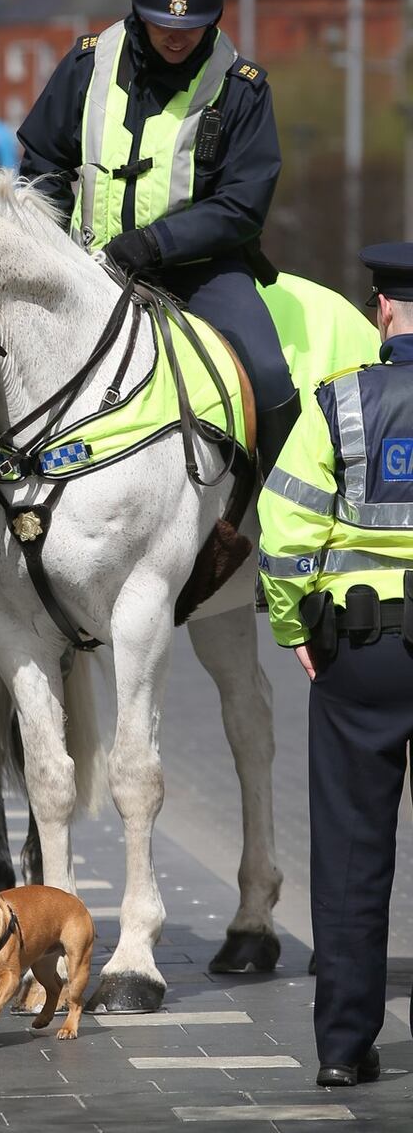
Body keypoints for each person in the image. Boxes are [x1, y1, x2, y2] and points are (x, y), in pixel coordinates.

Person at [18, 0, 299, 472]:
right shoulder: (87, 64)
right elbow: (43, 165)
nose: (176, 36)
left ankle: (280, 516)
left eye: (190, 26)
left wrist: (152, 244)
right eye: (163, 22)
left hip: (201, 273)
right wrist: (48, 245)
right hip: (86, 265)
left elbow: (242, 206)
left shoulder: (242, 89)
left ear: (212, 19)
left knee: (266, 372)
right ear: (138, 12)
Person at [258, 242, 413, 1088]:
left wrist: (295, 631)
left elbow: (285, 537)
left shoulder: (339, 404)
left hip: (361, 649)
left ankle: (345, 1050)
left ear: (383, 312)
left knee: (353, 851)